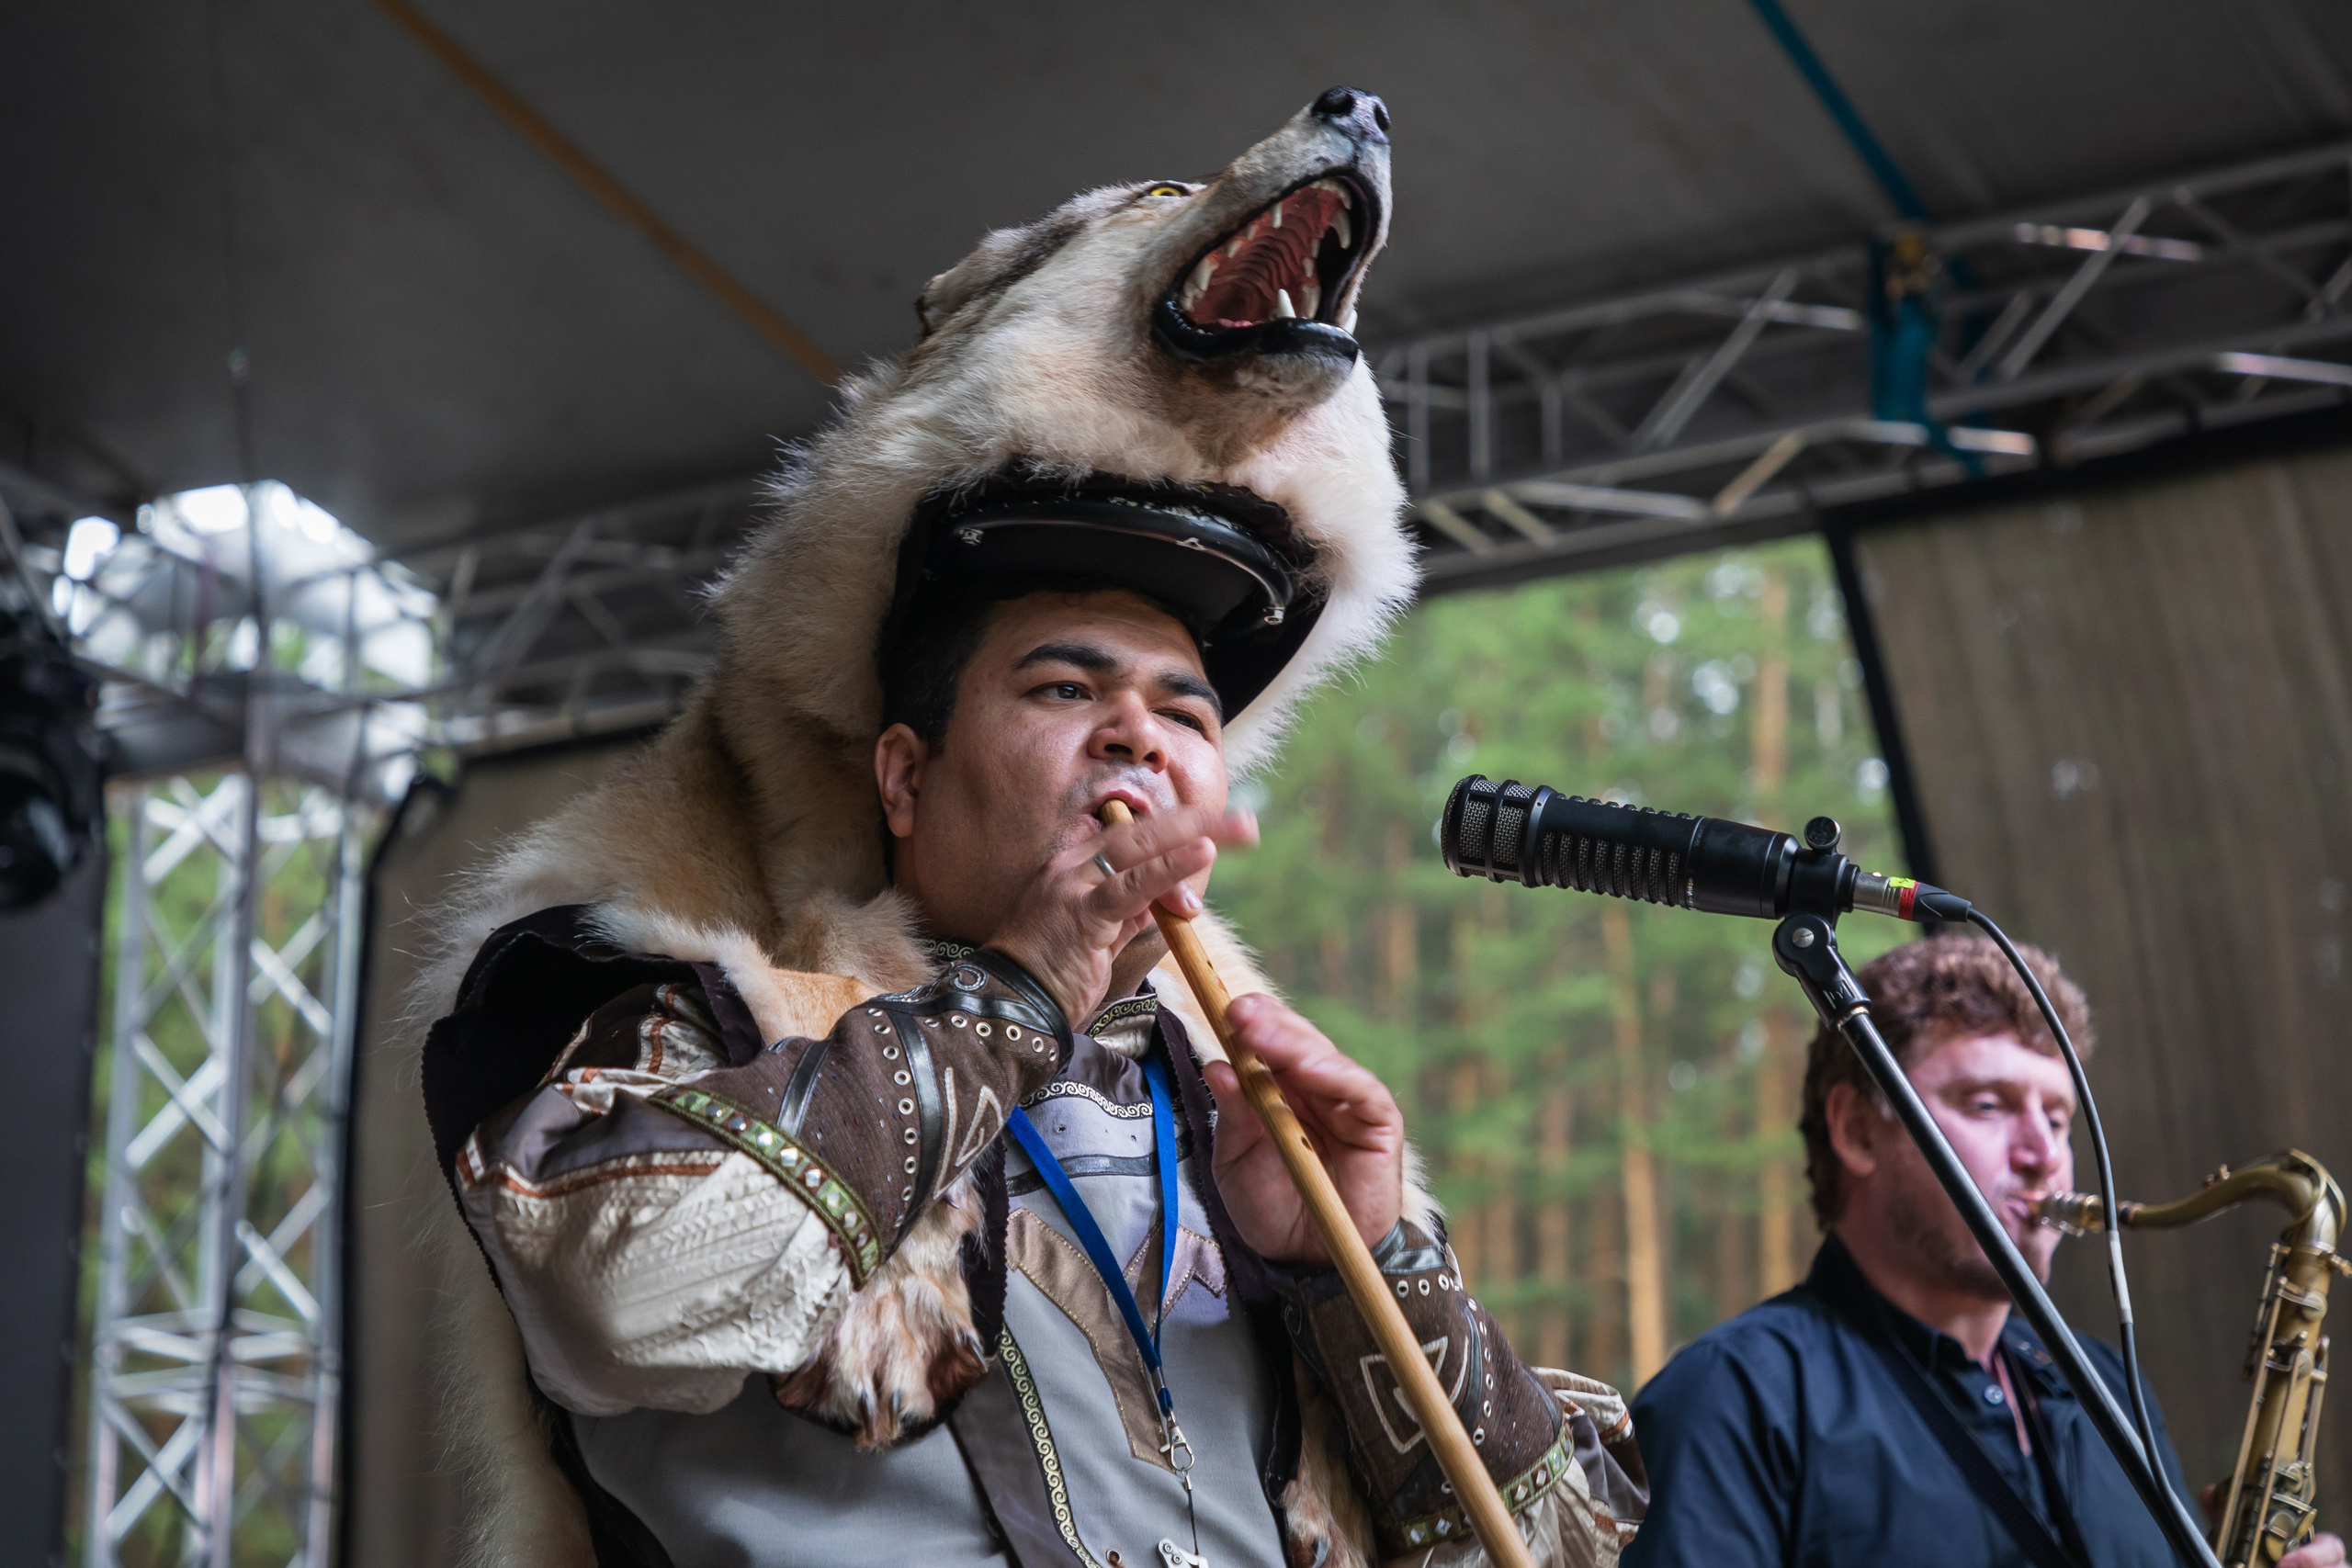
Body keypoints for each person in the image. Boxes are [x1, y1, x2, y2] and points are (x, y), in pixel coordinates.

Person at [416, 90, 1643, 1568]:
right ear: (904, 776)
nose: (1139, 731)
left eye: (1187, 712)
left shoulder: (1237, 1106)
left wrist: (1362, 1259)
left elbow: (1563, 1545)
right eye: (1066, 684)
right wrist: (1015, 991)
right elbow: (635, 1295)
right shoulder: (638, 984)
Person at [1624, 936, 2346, 1568]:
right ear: (1856, 1131)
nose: (2043, 1157)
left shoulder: (2109, 1390)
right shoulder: (1731, 1397)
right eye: (1988, 1104)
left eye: (2058, 1117)